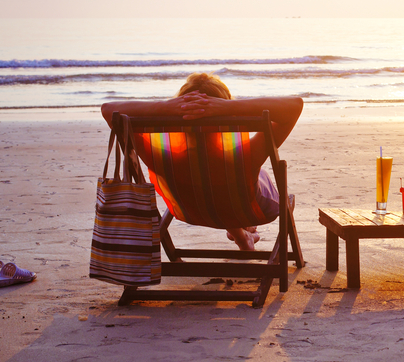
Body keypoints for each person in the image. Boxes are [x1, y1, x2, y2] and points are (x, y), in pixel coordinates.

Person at [101, 72, 303, 250]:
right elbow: (295, 105)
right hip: (251, 211)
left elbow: (109, 110)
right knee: (245, 180)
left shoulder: (160, 156)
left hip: (189, 212)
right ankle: (244, 232)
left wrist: (165, 108)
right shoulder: (246, 155)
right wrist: (227, 107)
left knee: (216, 185)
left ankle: (243, 237)